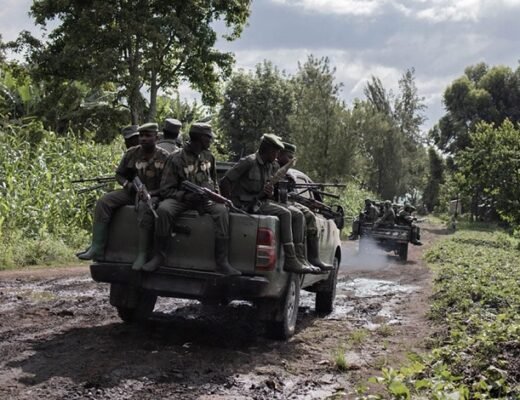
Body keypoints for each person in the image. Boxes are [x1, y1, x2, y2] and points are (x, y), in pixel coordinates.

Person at [141, 123, 240, 276]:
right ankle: (159, 256)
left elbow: (214, 182)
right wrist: (185, 196)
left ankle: (222, 262)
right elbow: (166, 189)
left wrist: (217, 197)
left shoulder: (209, 156)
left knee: (221, 211)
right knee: (164, 210)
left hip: (205, 199)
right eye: (208, 138)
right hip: (182, 198)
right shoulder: (176, 158)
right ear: (200, 138)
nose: (210, 141)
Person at [220, 134, 319, 274]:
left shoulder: (271, 166)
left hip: (260, 203)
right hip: (244, 204)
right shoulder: (249, 162)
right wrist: (229, 204)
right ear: (267, 149)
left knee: (297, 214)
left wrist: (269, 192)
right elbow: (225, 182)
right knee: (285, 213)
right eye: (276, 151)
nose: (277, 155)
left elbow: (268, 194)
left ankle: (299, 258)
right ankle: (290, 259)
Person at [77, 123, 169, 269]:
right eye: (141, 136)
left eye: (148, 136)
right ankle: (97, 247)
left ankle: (141, 255)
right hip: (132, 192)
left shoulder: (165, 157)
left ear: (156, 138)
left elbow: (167, 185)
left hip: (154, 195)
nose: (144, 139)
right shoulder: (132, 153)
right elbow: (119, 174)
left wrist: (151, 194)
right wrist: (128, 184)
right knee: (104, 202)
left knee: (146, 209)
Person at [278, 142, 333, 271]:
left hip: (285, 201)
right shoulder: (272, 167)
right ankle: (298, 257)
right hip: (277, 202)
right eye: (289, 157)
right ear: (280, 155)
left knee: (308, 214)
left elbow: (289, 194)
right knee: (299, 215)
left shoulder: (287, 173)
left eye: (292, 157)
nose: (291, 160)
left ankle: (310, 258)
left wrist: (308, 203)